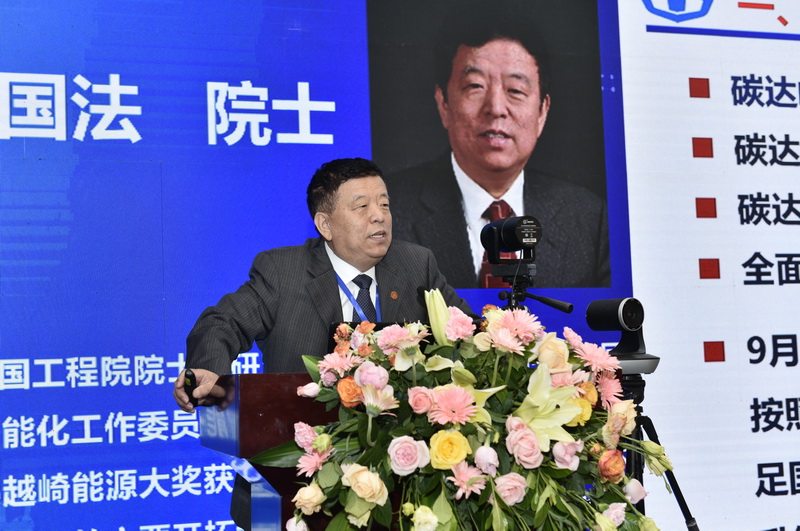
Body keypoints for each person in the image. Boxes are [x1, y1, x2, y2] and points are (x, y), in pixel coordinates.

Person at [172, 157, 472, 529]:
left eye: (384, 203)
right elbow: (223, 322)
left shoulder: (416, 264)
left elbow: (465, 329)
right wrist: (208, 367)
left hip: (401, 475)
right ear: (325, 224)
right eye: (362, 206)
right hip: (300, 474)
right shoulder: (282, 271)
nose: (379, 216)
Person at [384, 5, 611, 289]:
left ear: (542, 112)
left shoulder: (588, 218)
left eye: (515, 90)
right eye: (475, 86)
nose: (496, 108)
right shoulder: (388, 211)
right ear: (443, 104)